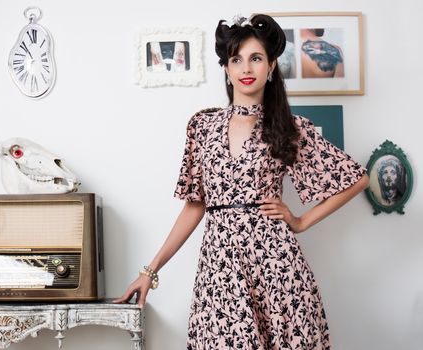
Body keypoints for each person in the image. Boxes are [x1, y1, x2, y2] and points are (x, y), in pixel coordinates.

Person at [114, 14, 369, 349]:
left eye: (256, 59)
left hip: (276, 265)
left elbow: (357, 179)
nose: (246, 69)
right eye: (237, 60)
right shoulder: (202, 127)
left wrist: (301, 221)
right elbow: (195, 206)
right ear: (226, 69)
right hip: (221, 268)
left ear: (272, 66)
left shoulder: (288, 127)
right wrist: (150, 271)